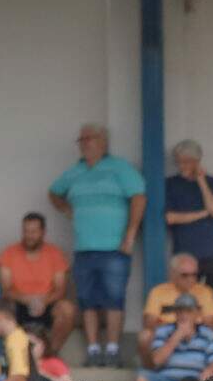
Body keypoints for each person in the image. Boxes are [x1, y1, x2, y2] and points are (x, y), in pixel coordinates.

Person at [50, 123, 146, 364]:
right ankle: (93, 349)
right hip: (84, 248)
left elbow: (139, 197)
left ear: (103, 141)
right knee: (87, 300)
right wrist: (66, 209)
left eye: (88, 138)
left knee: (114, 299)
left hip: (114, 247)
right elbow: (54, 192)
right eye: (80, 139)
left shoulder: (119, 168)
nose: (84, 143)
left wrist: (130, 234)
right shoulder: (75, 171)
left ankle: (112, 349)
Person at [161, 139, 213, 301]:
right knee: (185, 295)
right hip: (185, 251)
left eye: (187, 162)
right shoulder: (170, 184)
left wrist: (201, 181)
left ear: (197, 161)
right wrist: (202, 213)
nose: (182, 166)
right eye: (179, 162)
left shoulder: (212, 182)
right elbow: (171, 218)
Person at [0, 211, 71, 354]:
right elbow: (6, 289)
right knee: (2, 308)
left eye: (33, 231)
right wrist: (25, 299)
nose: (29, 236)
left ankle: (50, 354)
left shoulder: (55, 253)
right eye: (26, 231)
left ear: (43, 232)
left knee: (67, 309)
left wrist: (44, 301)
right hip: (19, 303)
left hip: (47, 303)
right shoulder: (9, 253)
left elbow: (60, 289)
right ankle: (12, 354)